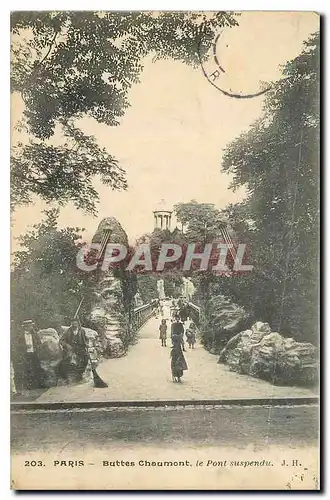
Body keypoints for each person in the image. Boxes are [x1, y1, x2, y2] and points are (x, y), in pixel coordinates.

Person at [60, 318, 108, 388]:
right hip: (71, 348)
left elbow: (85, 340)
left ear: (78, 324)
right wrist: (67, 345)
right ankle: (65, 376)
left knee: (85, 358)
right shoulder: (68, 331)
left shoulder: (82, 331)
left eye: (76, 323)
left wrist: (86, 344)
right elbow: (61, 340)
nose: (74, 325)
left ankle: (80, 373)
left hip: (80, 348)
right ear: (71, 324)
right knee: (67, 359)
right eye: (73, 323)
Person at [20, 320, 45, 389]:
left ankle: (39, 384)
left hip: (34, 353)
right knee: (27, 369)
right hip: (26, 354)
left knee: (37, 368)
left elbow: (40, 343)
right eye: (29, 326)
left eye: (31, 326)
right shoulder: (20, 335)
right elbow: (17, 345)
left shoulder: (35, 334)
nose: (31, 328)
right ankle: (29, 385)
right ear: (25, 327)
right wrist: (25, 346)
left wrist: (36, 347)